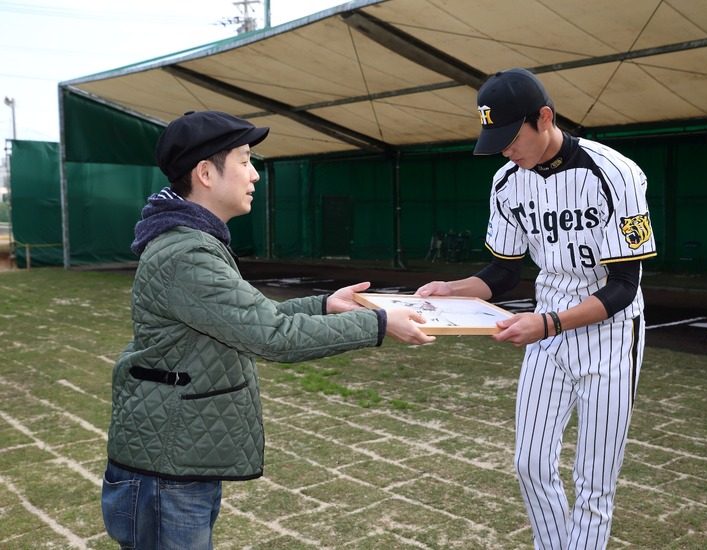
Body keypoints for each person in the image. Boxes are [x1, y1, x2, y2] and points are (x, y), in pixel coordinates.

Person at [101, 110, 434, 550]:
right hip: (166, 472)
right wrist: (377, 323)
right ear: (204, 173)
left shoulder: (191, 242)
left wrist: (323, 305)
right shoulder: (187, 254)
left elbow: (247, 319)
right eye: (244, 160)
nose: (254, 175)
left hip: (174, 464)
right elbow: (273, 336)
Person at [416, 69, 657, 549]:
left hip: (610, 334)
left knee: (593, 481)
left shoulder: (616, 173)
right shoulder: (508, 181)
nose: (505, 149)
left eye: (511, 137)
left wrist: (548, 324)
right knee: (530, 464)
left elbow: (624, 287)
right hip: (547, 327)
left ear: (544, 117)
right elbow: (502, 274)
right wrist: (454, 289)